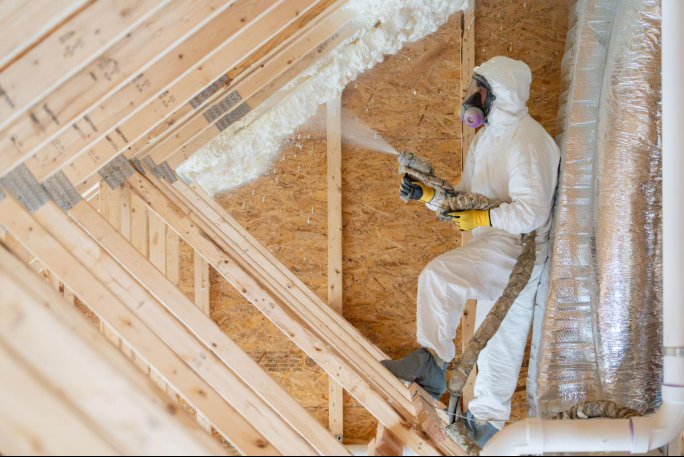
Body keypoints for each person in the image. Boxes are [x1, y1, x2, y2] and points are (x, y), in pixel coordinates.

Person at [383, 56, 560, 445]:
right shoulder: (487, 139)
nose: (472, 99)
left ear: (500, 95)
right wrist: (428, 194)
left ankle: (439, 372)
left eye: (479, 91)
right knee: (495, 336)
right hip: (495, 242)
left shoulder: (528, 141)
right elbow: (467, 195)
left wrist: (482, 220)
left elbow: (531, 213)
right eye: (474, 89)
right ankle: (479, 419)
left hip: (520, 250)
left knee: (449, 287)